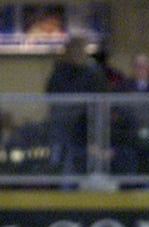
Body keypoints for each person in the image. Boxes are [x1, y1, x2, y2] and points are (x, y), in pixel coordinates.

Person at [45, 35, 107, 180]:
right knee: (63, 151)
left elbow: (101, 96)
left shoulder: (93, 73)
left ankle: (93, 174)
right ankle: (58, 173)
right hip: (64, 121)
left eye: (81, 49)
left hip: (87, 122)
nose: (77, 53)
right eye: (74, 50)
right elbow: (52, 95)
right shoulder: (59, 73)